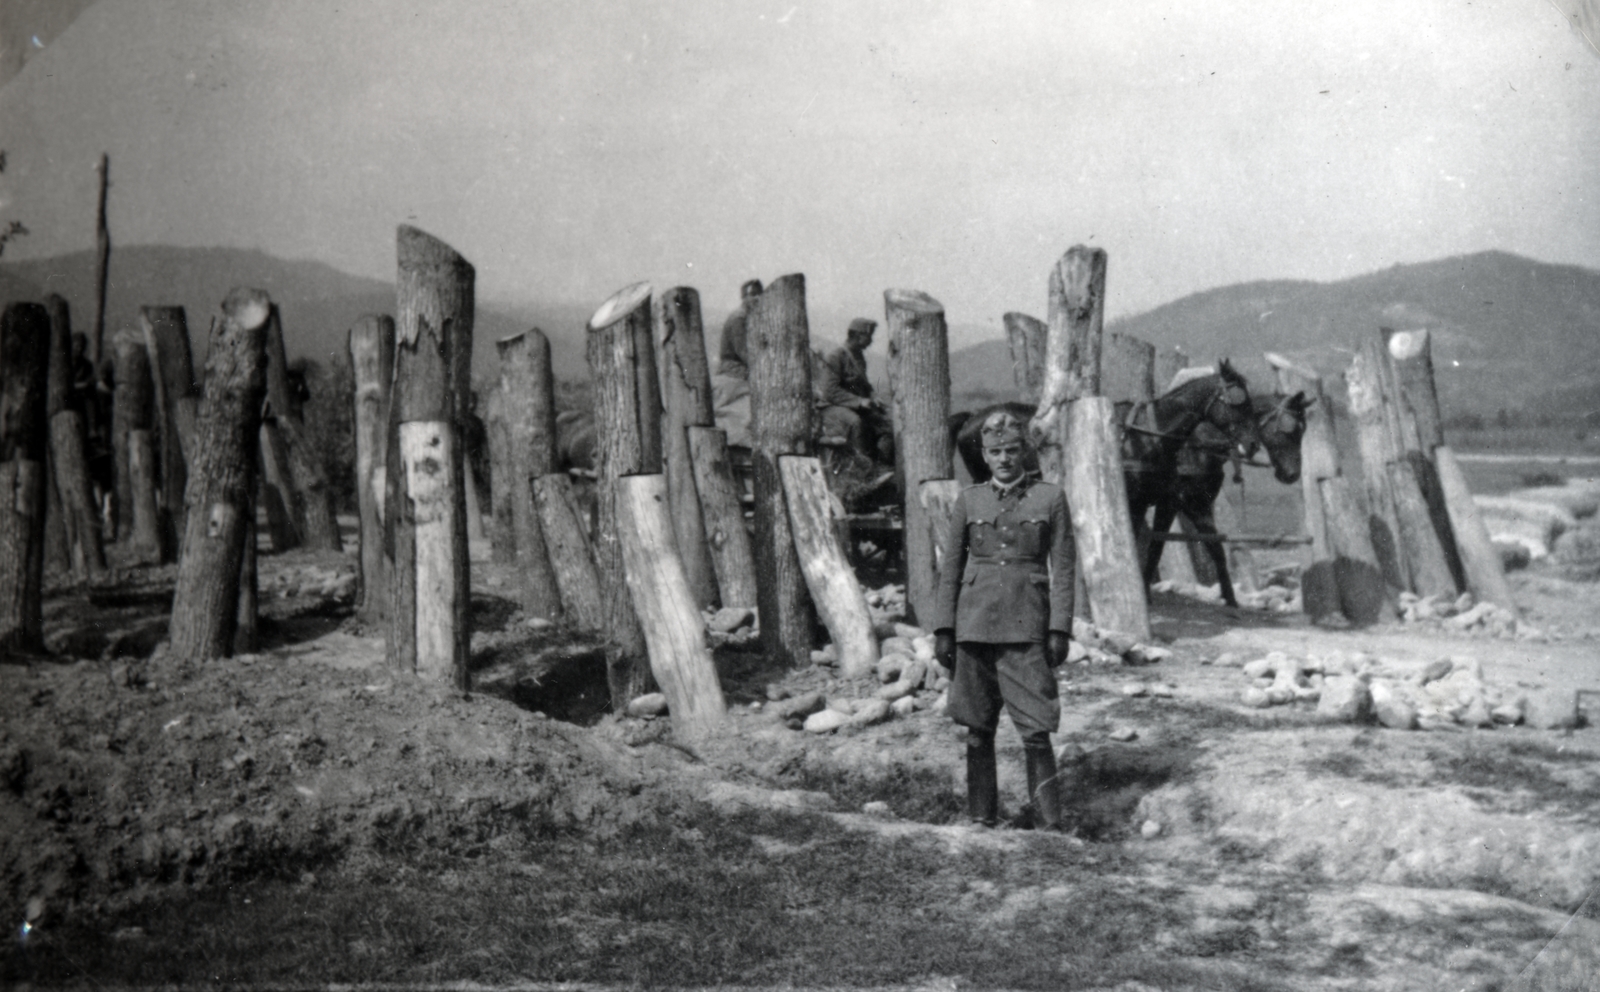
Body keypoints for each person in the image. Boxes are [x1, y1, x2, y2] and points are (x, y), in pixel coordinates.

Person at [930, 409, 1075, 830]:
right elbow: (951, 569)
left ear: (1024, 451)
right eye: (996, 452)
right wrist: (944, 629)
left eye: (1012, 450)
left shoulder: (1050, 498)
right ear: (986, 456)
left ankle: (1048, 823)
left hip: (1026, 626)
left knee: (1035, 729)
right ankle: (981, 819)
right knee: (977, 727)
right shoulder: (970, 500)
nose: (1006, 459)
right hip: (973, 626)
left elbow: (1063, 568)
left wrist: (1059, 628)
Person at [816, 317, 889, 462]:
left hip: (852, 405)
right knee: (855, 422)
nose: (871, 341)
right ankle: (861, 470)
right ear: (857, 335)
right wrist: (859, 401)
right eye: (869, 336)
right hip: (831, 407)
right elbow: (829, 391)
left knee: (884, 424)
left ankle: (880, 463)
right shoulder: (836, 357)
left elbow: (864, 384)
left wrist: (873, 396)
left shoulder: (859, 357)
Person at [716, 278, 763, 379]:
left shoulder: (753, 318)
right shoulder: (739, 319)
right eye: (753, 294)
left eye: (760, 294)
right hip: (733, 367)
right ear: (744, 297)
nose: (757, 298)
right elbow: (743, 351)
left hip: (744, 365)